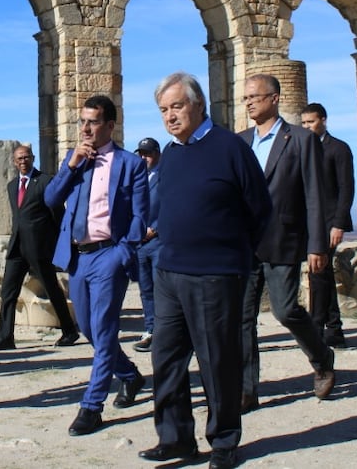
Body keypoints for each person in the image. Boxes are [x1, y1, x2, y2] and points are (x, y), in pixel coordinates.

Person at [137, 73, 270, 469]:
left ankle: (225, 441)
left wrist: (233, 256)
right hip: (170, 272)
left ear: (198, 104)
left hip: (216, 273)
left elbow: (260, 210)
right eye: (163, 110)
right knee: (166, 359)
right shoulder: (171, 154)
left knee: (217, 360)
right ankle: (176, 438)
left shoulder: (231, 148)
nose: (170, 116)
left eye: (176, 106)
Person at [44, 94, 149, 437]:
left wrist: (123, 253)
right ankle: (130, 376)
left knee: (104, 331)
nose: (85, 128)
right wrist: (71, 165)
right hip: (77, 256)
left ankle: (92, 406)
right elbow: (50, 199)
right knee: (89, 329)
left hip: (109, 255)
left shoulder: (130, 163)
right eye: (82, 122)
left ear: (109, 125)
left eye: (92, 122)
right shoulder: (75, 160)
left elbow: (140, 215)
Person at [238, 74, 335, 413]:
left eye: (255, 96)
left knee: (285, 310)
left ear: (275, 98)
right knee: (242, 318)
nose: (249, 102)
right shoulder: (241, 141)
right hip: (244, 245)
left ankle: (322, 356)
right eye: (245, 98)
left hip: (284, 239)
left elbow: (314, 195)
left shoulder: (300, 139)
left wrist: (318, 245)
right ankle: (247, 389)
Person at [0, 145, 79, 351]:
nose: (23, 161)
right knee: (8, 292)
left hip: (39, 248)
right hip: (17, 248)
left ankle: (69, 331)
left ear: (32, 158)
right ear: (14, 162)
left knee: (52, 288)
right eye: (19, 159)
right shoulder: (11, 186)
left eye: (26, 157)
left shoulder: (45, 181)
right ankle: (5, 337)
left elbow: (57, 216)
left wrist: (57, 243)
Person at [300, 102, 353, 346]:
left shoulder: (338, 149)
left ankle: (317, 325)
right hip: (310, 222)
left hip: (330, 221)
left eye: (310, 122)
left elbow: (346, 189)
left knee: (318, 272)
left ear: (323, 120)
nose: (307, 127)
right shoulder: (303, 148)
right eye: (303, 123)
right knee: (322, 273)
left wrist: (339, 224)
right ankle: (333, 328)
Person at [133, 136, 162, 353]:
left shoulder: (166, 176)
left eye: (148, 154)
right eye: (141, 154)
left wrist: (155, 228)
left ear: (157, 154)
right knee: (145, 289)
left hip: (159, 240)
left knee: (161, 287)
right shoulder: (136, 179)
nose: (144, 158)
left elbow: (172, 204)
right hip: (139, 244)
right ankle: (151, 329)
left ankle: (165, 331)